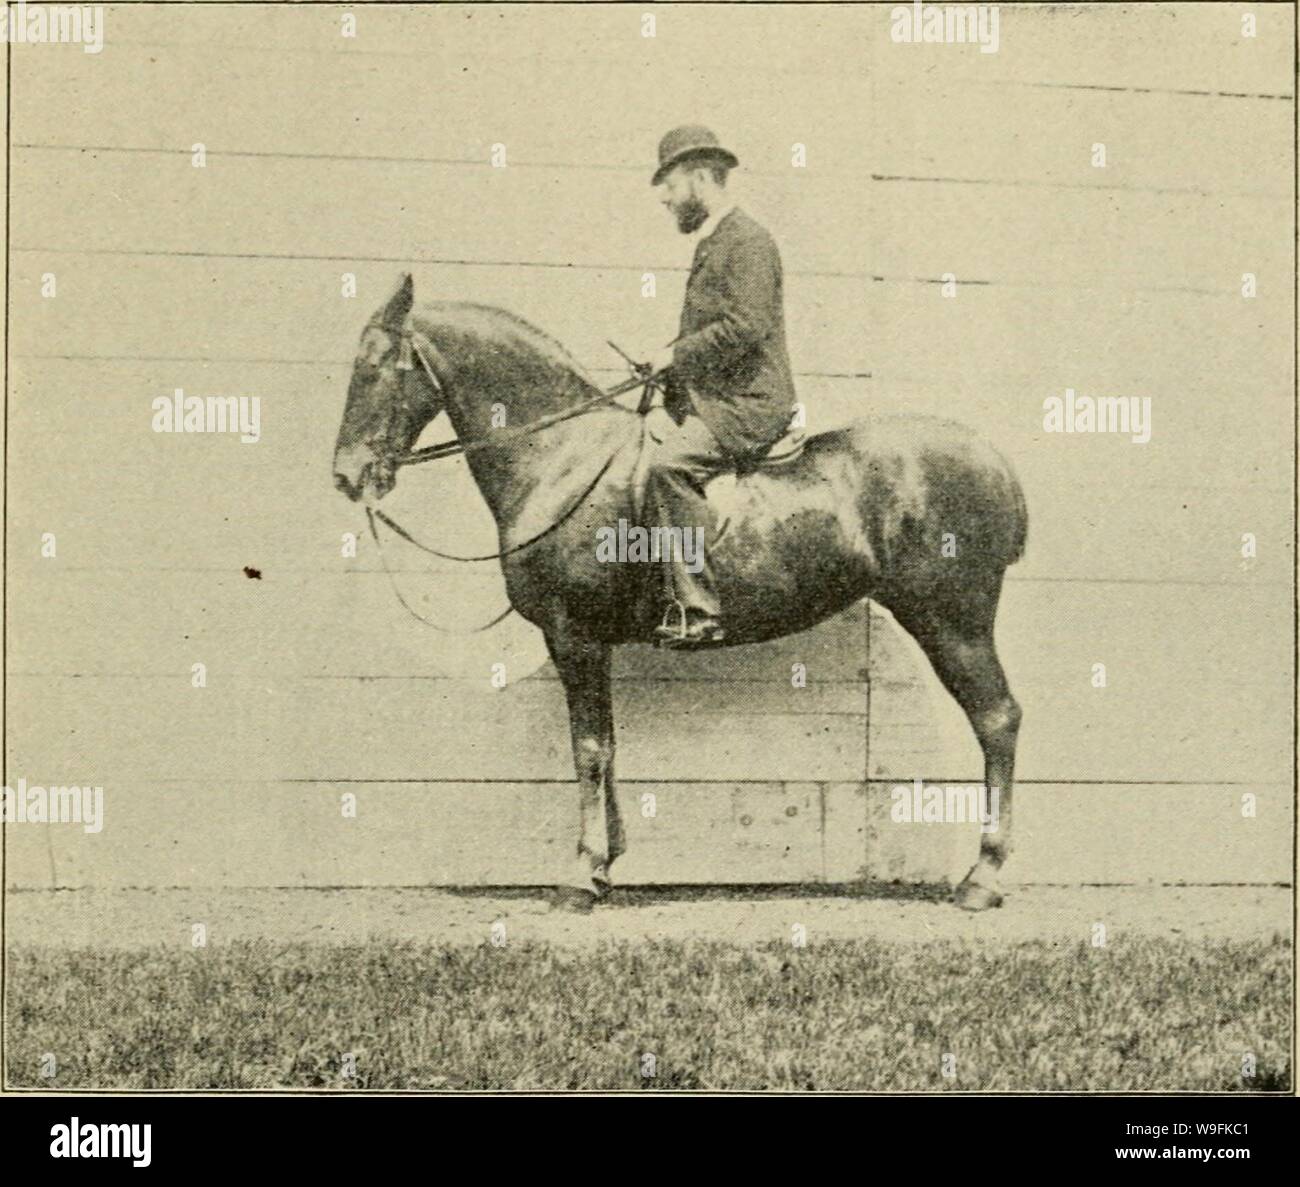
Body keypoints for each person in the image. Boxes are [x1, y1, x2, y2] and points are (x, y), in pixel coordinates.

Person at [643, 125, 798, 649]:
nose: (664, 198)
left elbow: (746, 326)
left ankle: (700, 610)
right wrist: (665, 365)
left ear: (701, 177)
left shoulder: (747, 241)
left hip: (749, 404)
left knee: (669, 466)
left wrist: (676, 354)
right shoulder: (715, 241)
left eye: (670, 184)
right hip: (717, 399)